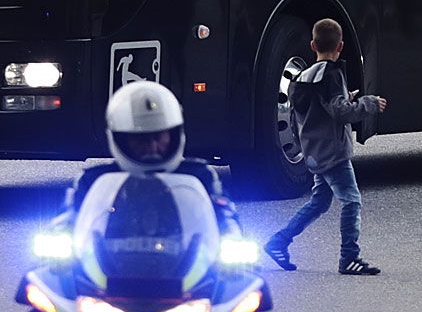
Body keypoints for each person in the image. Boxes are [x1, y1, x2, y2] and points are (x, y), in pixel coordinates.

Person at [264, 18, 386, 276]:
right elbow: (340, 112)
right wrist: (368, 103)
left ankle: (278, 241)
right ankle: (349, 257)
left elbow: (309, 111)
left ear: (312, 45)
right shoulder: (332, 74)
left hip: (314, 151)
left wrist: (345, 97)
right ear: (340, 46)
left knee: (319, 202)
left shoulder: (301, 77)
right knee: (351, 201)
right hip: (333, 153)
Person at [58, 79, 241, 236]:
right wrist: (61, 234)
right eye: (141, 139)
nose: (152, 147)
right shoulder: (92, 181)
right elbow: (67, 219)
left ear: (174, 135)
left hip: (190, 269)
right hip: (107, 271)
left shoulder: (200, 176)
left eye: (159, 136)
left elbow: (226, 217)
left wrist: (233, 237)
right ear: (120, 139)